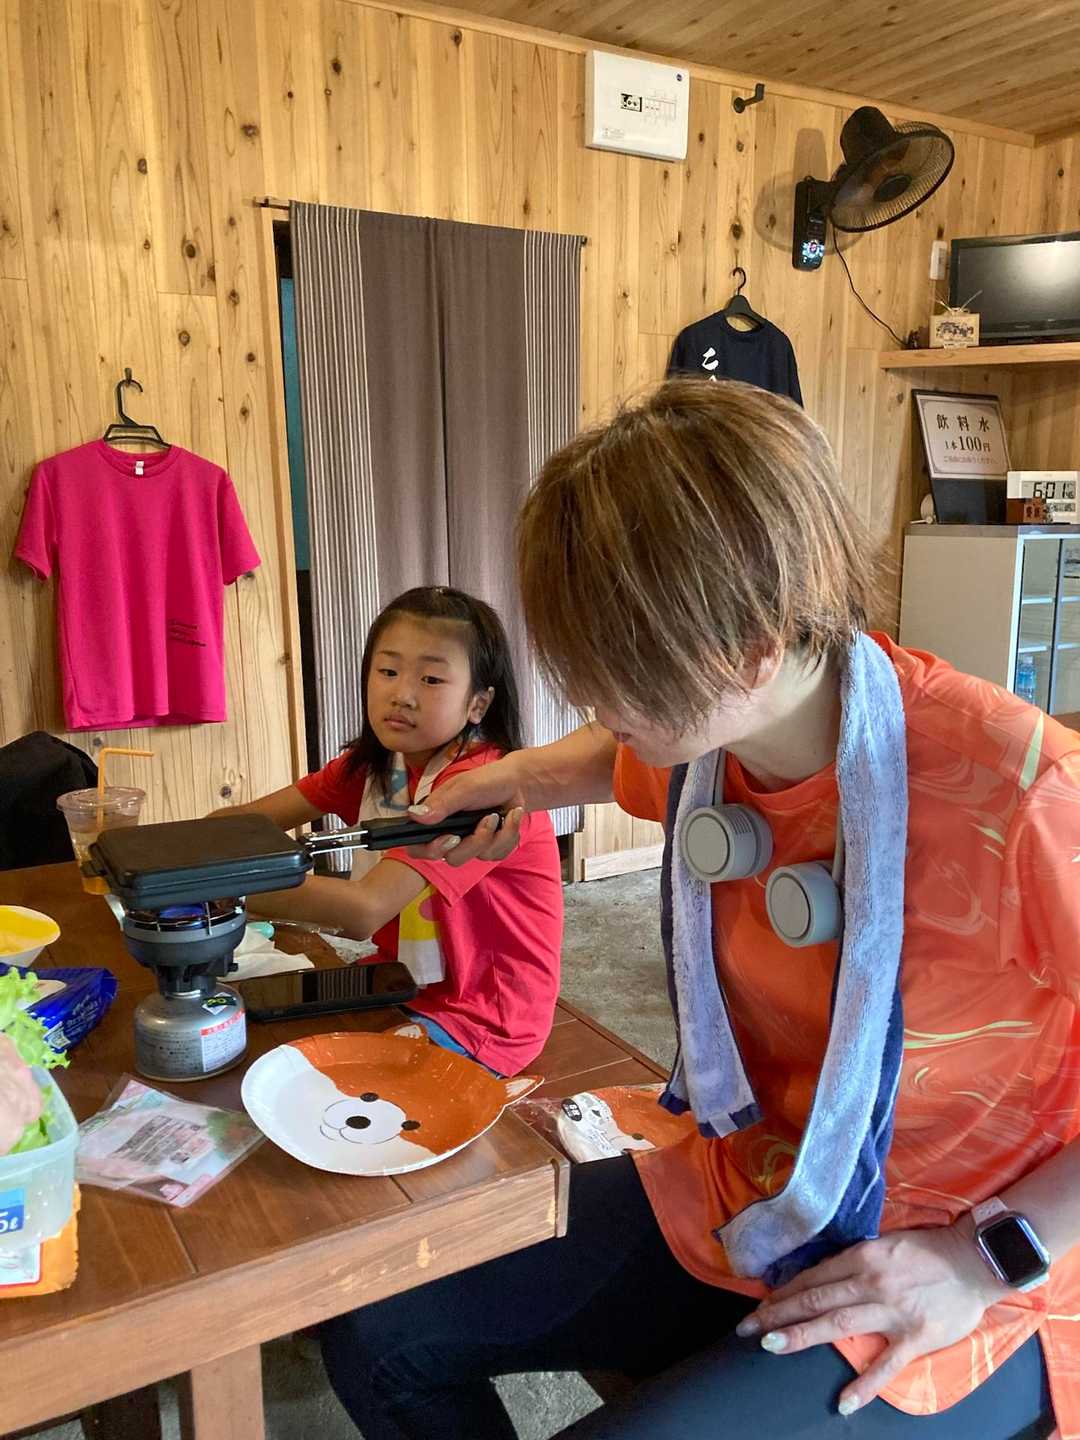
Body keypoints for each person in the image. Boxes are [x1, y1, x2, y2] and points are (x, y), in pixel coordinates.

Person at [319, 381, 1079, 1439]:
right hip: (757, 1181)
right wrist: (509, 781)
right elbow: (608, 755)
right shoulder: (720, 736)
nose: (596, 705)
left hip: (970, 1261)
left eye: (616, 677)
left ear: (752, 644)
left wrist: (985, 1258)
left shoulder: (1022, 791)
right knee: (376, 1326)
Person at [218, 586, 562, 1077]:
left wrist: (219, 886)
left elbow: (364, 909)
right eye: (388, 671)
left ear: (478, 704)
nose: (402, 695)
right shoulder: (377, 767)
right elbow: (243, 826)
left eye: (431, 678)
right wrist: (176, 853)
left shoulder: (482, 789)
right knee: (253, 1040)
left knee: (321, 1088)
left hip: (483, 1017)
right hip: (397, 978)